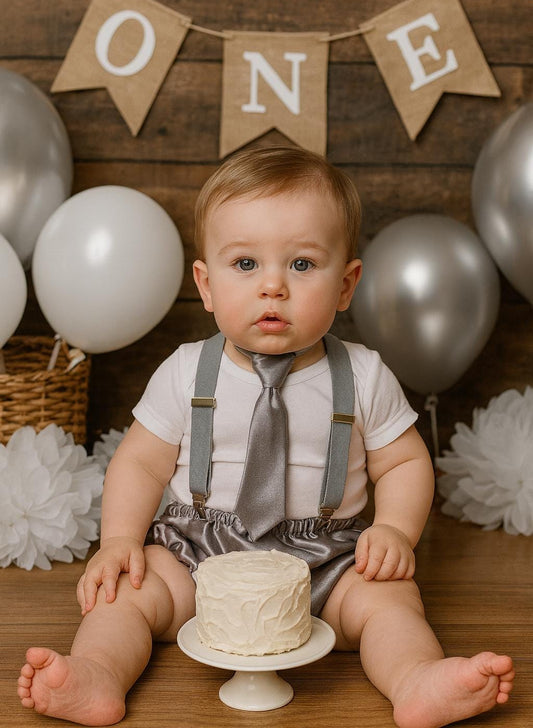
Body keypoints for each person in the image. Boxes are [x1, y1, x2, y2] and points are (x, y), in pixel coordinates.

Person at [18, 146, 514, 728]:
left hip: (326, 558)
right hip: (198, 553)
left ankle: (415, 680)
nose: (273, 285)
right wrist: (120, 540)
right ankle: (98, 673)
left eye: (302, 264)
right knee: (128, 591)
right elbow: (140, 464)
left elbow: (404, 462)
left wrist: (394, 530)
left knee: (389, 599)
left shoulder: (363, 375)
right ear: (206, 284)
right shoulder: (186, 371)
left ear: (346, 284)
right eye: (246, 263)